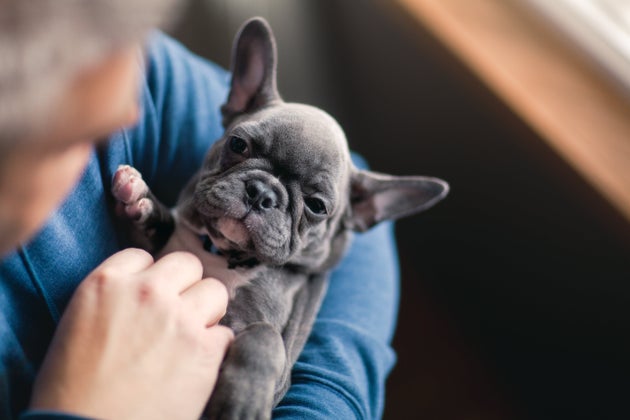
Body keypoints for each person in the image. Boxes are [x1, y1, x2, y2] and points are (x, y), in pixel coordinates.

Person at [0, 1, 400, 419]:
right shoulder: (69, 67)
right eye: (78, 137)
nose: (127, 115)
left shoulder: (104, 55)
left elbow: (351, 177)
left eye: (314, 205)